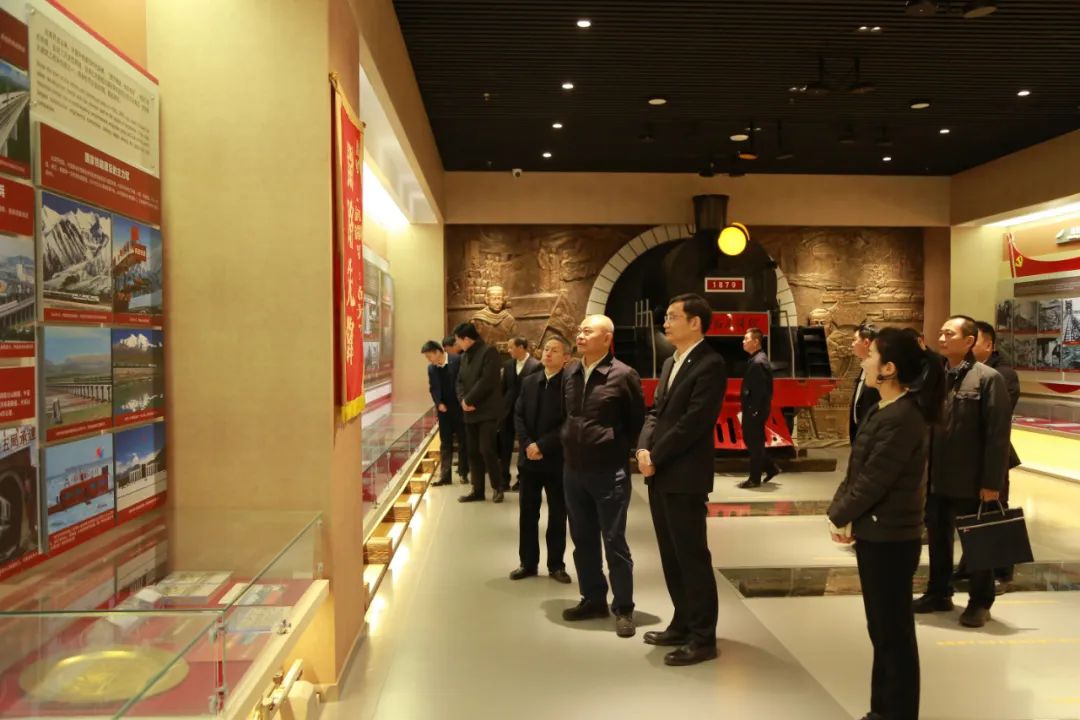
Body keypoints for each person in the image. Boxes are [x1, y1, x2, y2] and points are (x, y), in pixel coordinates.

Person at [827, 327, 946, 720]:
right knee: (882, 629)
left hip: (892, 538)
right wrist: (840, 511)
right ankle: (883, 710)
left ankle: (896, 712)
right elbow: (857, 470)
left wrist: (840, 514)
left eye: (871, 355)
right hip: (877, 533)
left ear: (889, 368)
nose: (863, 360)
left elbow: (876, 479)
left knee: (892, 632)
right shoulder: (884, 409)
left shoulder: (903, 417)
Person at [636, 294, 728, 666]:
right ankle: (682, 622)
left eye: (673, 317)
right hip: (660, 472)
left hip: (685, 475)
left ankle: (703, 637)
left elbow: (694, 422)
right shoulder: (670, 361)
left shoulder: (710, 364)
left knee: (691, 556)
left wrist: (656, 456)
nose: (666, 322)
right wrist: (643, 448)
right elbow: (656, 411)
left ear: (695, 322)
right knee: (671, 555)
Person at [914, 315, 1011, 628]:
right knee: (938, 539)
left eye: (950, 334)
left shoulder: (988, 378)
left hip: (971, 480)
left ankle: (980, 601)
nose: (942, 339)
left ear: (969, 341)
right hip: (936, 478)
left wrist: (992, 483)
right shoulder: (934, 377)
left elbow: (998, 436)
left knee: (977, 543)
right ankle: (938, 592)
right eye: (941, 333)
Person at [560, 314, 645, 638]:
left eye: (588, 331)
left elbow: (636, 421)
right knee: (582, 539)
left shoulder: (623, 375)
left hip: (609, 471)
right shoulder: (571, 371)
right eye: (579, 330)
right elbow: (568, 415)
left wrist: (618, 448)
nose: (580, 336)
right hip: (573, 469)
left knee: (614, 540)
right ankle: (593, 598)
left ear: (607, 338)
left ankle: (623, 608)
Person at [510, 337, 572, 585]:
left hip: (557, 460)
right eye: (546, 349)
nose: (548, 353)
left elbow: (569, 422)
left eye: (555, 351)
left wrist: (542, 445)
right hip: (529, 460)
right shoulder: (529, 381)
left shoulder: (569, 384)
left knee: (558, 514)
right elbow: (518, 415)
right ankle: (528, 563)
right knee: (527, 513)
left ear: (566, 358)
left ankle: (556, 565)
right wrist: (527, 445)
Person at [970, 320, 1022, 587]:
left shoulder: (1003, 374)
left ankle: (1003, 572)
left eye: (974, 340)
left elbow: (997, 418)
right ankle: (973, 567)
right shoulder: (964, 370)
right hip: (967, 455)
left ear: (988, 345)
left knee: (996, 510)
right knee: (975, 512)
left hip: (994, 453)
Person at [453, 322, 505, 503]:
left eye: (458, 340)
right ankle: (478, 490)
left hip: (487, 410)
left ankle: (498, 487)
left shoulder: (489, 352)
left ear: (467, 339)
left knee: (487, 449)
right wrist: (462, 400)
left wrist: (469, 400)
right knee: (473, 452)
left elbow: (488, 380)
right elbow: (459, 381)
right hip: (469, 411)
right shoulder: (464, 356)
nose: (457, 344)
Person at [422, 340, 468, 486]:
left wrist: (464, 401)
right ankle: (445, 476)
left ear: (438, 352)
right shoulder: (431, 368)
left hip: (460, 408)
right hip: (444, 410)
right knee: (445, 442)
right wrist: (438, 403)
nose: (429, 360)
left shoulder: (457, 360)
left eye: (429, 356)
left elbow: (465, 382)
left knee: (463, 441)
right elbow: (433, 388)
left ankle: (463, 473)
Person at [499, 337, 542, 492]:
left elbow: (537, 391)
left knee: (524, 444)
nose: (508, 350)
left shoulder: (536, 365)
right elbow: (503, 388)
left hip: (526, 412)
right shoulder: (508, 364)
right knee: (505, 445)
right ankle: (503, 479)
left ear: (521, 347)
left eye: (511, 347)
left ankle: (521, 479)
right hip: (507, 411)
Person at [738, 327, 779, 489]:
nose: (743, 341)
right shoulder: (757, 359)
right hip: (753, 409)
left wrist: (754, 410)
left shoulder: (757, 362)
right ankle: (771, 468)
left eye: (746, 339)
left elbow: (760, 391)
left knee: (754, 443)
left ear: (756, 342)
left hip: (754, 410)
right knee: (754, 442)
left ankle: (754, 479)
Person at [850, 323, 881, 443]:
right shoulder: (864, 367)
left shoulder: (879, 372)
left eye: (855, 340)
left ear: (866, 342)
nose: (852, 344)